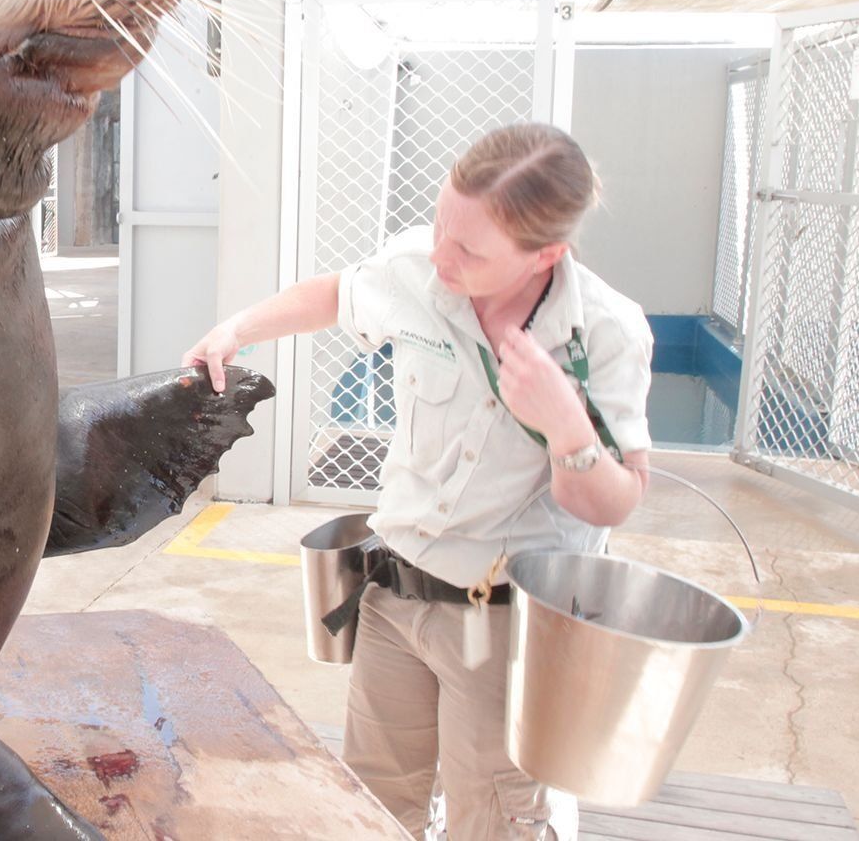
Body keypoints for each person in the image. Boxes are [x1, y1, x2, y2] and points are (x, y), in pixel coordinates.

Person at [182, 123, 653, 840]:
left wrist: (567, 428)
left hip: (504, 627)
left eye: (468, 249)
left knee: (494, 816)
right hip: (396, 600)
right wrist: (236, 330)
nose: (440, 256)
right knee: (375, 800)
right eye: (441, 225)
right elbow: (338, 296)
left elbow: (617, 498)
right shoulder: (419, 270)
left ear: (546, 255)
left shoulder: (608, 334)